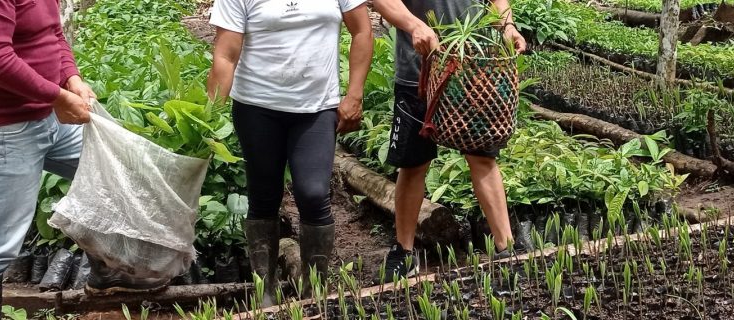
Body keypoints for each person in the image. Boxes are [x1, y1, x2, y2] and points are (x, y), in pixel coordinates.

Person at [205, 0, 373, 307]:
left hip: (316, 108)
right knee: (264, 196)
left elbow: (362, 31)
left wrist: (355, 93)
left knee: (313, 193)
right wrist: (209, 116)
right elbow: (226, 54)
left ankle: (314, 293)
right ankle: (265, 292)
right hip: (257, 107)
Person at [0, 0, 95, 318]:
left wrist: (71, 77)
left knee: (112, 173)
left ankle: (113, 279)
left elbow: (51, 32)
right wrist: (57, 97)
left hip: (47, 115)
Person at [372, 0, 529, 281]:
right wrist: (415, 25)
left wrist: (507, 25)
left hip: (473, 67)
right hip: (418, 70)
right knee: (413, 163)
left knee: (482, 157)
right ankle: (403, 253)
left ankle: (507, 249)